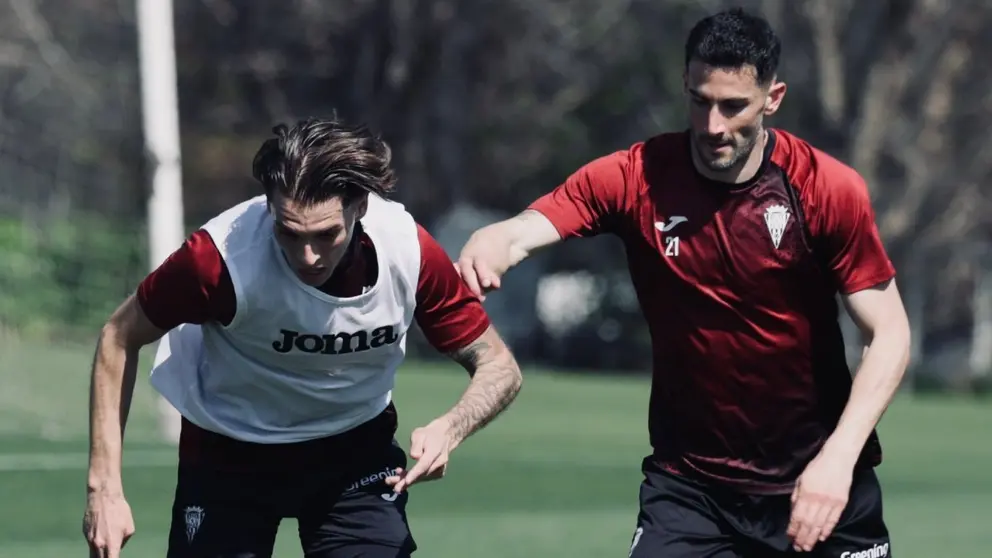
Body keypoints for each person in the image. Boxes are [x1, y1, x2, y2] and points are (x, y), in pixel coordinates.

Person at [456, 7, 909, 558]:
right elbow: (527, 229)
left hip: (819, 484)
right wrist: (495, 240)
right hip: (691, 491)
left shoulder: (825, 189)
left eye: (733, 106)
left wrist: (839, 458)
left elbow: (889, 333)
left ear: (773, 98)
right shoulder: (637, 176)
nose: (713, 126)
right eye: (699, 101)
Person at [82, 115, 523, 558]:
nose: (307, 256)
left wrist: (450, 428)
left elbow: (499, 367)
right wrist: (104, 490)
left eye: (325, 235)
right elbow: (118, 337)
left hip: (354, 452)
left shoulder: (408, 253)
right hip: (229, 450)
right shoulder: (219, 262)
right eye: (289, 233)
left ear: (360, 207)